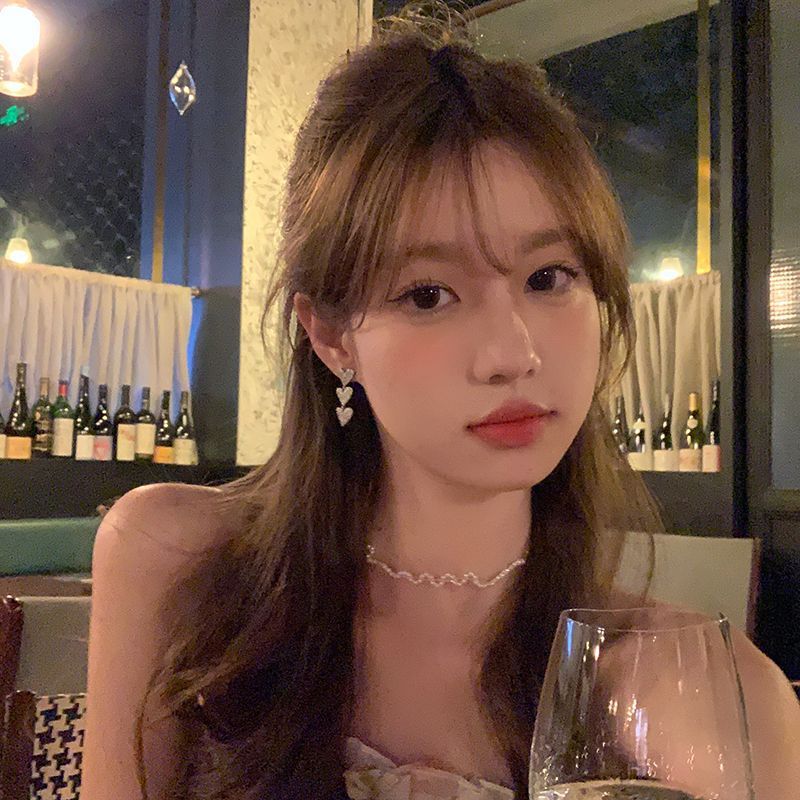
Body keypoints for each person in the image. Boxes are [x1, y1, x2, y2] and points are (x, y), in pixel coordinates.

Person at [81, 5, 800, 800]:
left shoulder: (693, 688)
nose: (513, 354)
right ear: (330, 336)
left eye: (548, 278)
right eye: (428, 294)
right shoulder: (180, 563)